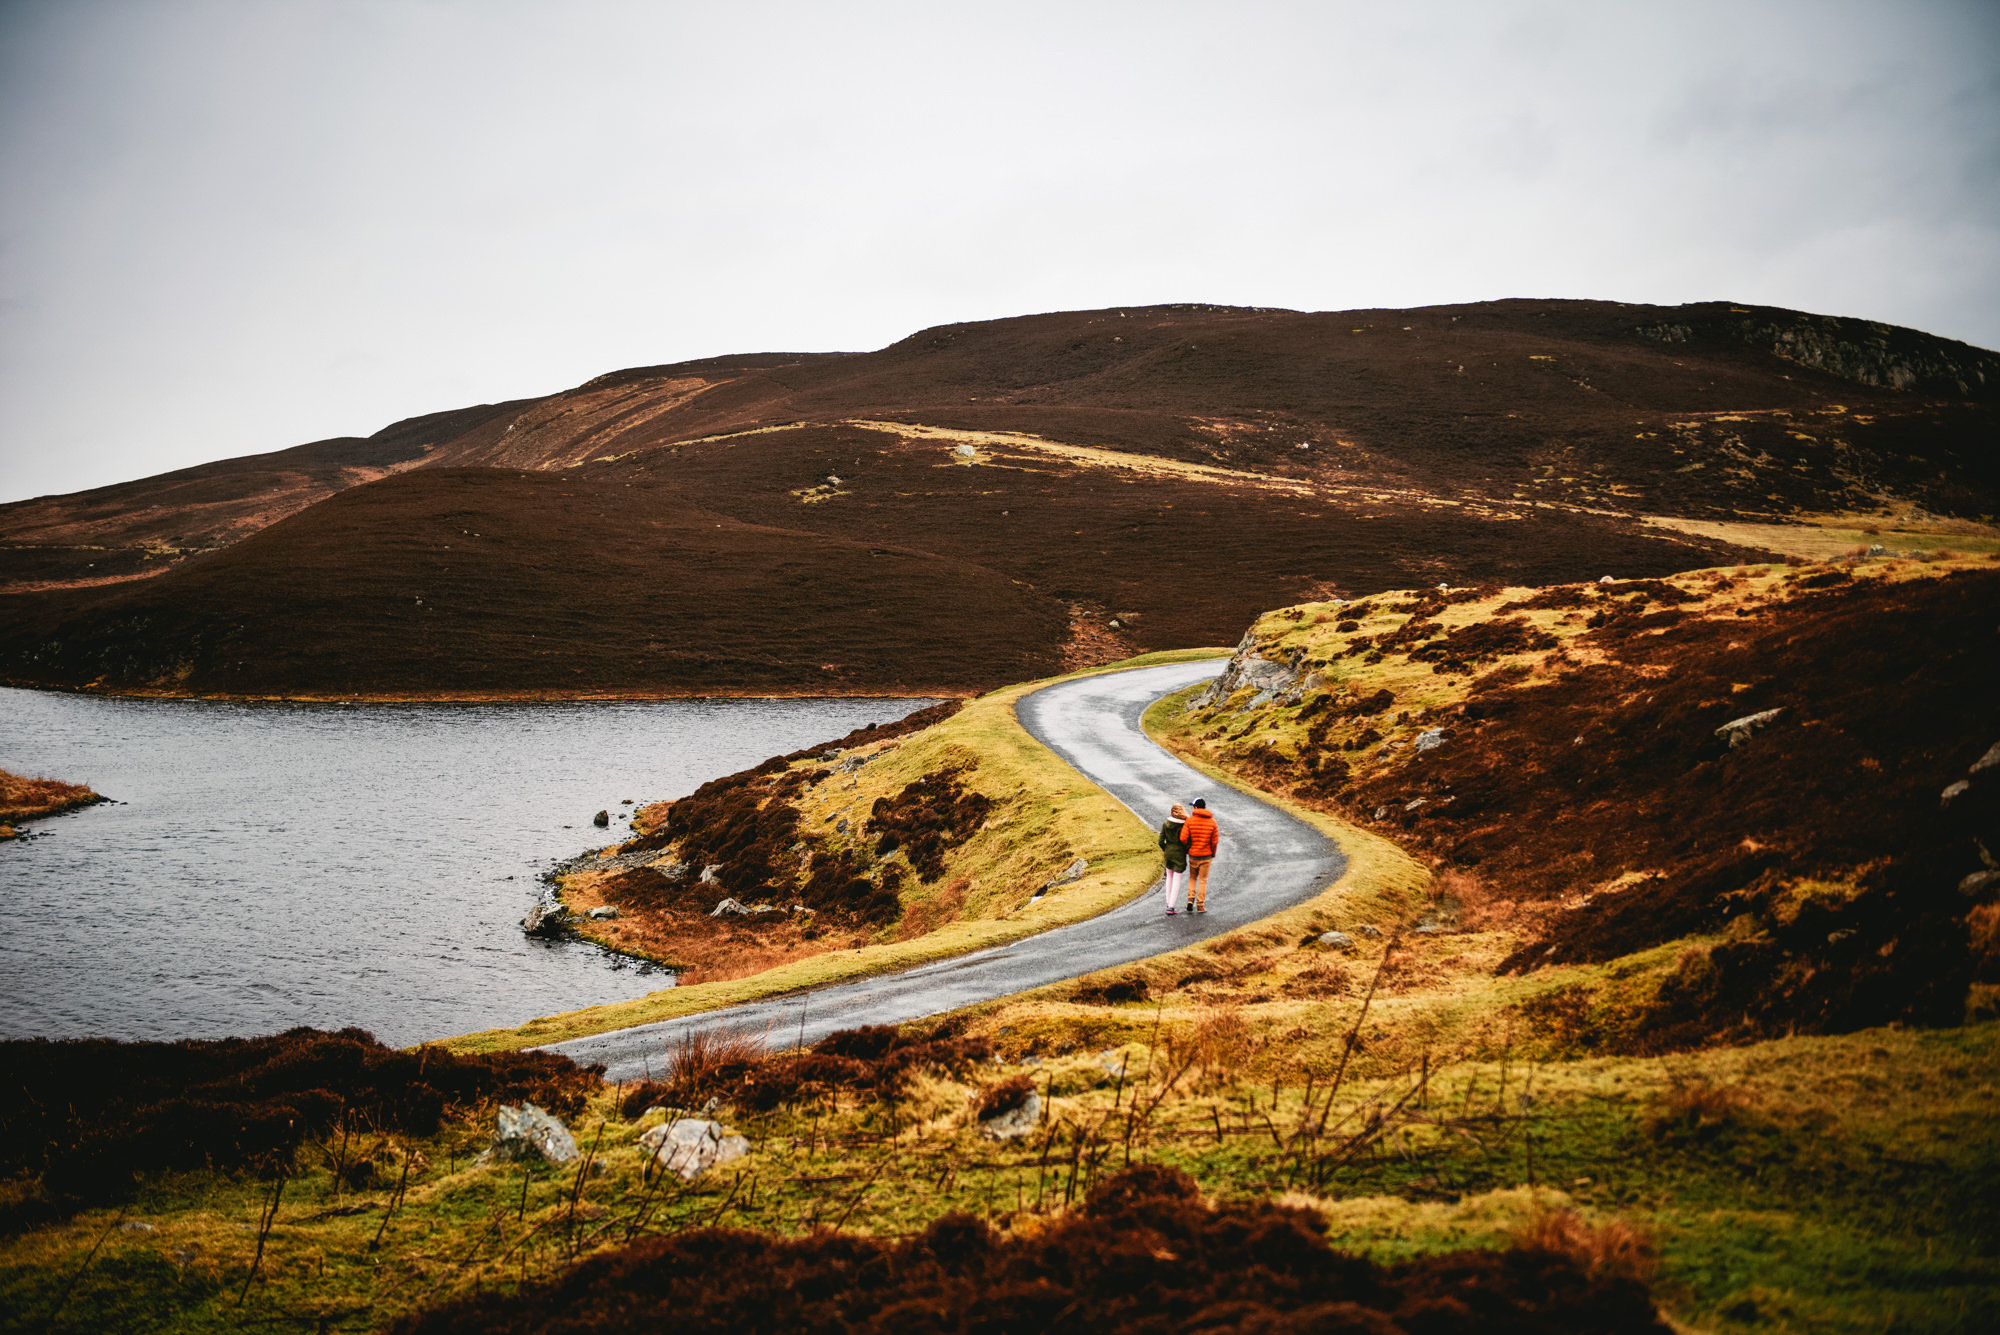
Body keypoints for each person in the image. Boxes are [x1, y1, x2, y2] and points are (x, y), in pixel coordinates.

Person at [1181, 798, 1220, 913]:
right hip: (1206, 856)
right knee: (1203, 880)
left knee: (1192, 878)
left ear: (1196, 807)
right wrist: (1212, 853)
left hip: (1193, 855)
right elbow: (1214, 841)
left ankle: (1190, 899)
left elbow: (1183, 838)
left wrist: (1188, 848)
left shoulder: (1190, 821)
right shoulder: (1213, 822)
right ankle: (1200, 905)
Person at [1157, 803, 1189, 914]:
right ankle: (1171, 906)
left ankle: (1168, 903)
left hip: (1168, 852)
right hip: (1179, 853)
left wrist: (1166, 849)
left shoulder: (1166, 824)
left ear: (1171, 812)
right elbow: (1186, 841)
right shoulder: (1185, 825)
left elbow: (1160, 841)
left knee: (1169, 878)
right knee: (1177, 880)